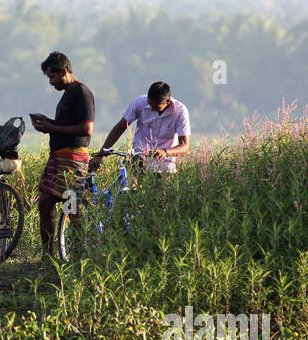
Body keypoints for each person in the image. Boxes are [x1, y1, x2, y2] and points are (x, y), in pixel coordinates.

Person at [29, 51, 94, 259]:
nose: (50, 82)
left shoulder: (82, 93)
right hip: (58, 157)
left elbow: (86, 129)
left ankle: (77, 256)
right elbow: (67, 125)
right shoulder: (67, 94)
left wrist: (51, 128)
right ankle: (47, 257)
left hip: (73, 159)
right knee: (45, 202)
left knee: (72, 207)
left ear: (64, 71)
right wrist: (49, 123)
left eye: (52, 77)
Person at [91, 80, 191, 174]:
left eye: (156, 107)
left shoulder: (181, 111)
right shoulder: (140, 103)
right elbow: (119, 128)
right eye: (150, 104)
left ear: (167, 102)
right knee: (132, 190)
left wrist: (166, 152)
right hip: (139, 161)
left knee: (161, 192)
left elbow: (185, 146)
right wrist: (101, 154)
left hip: (165, 166)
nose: (151, 109)